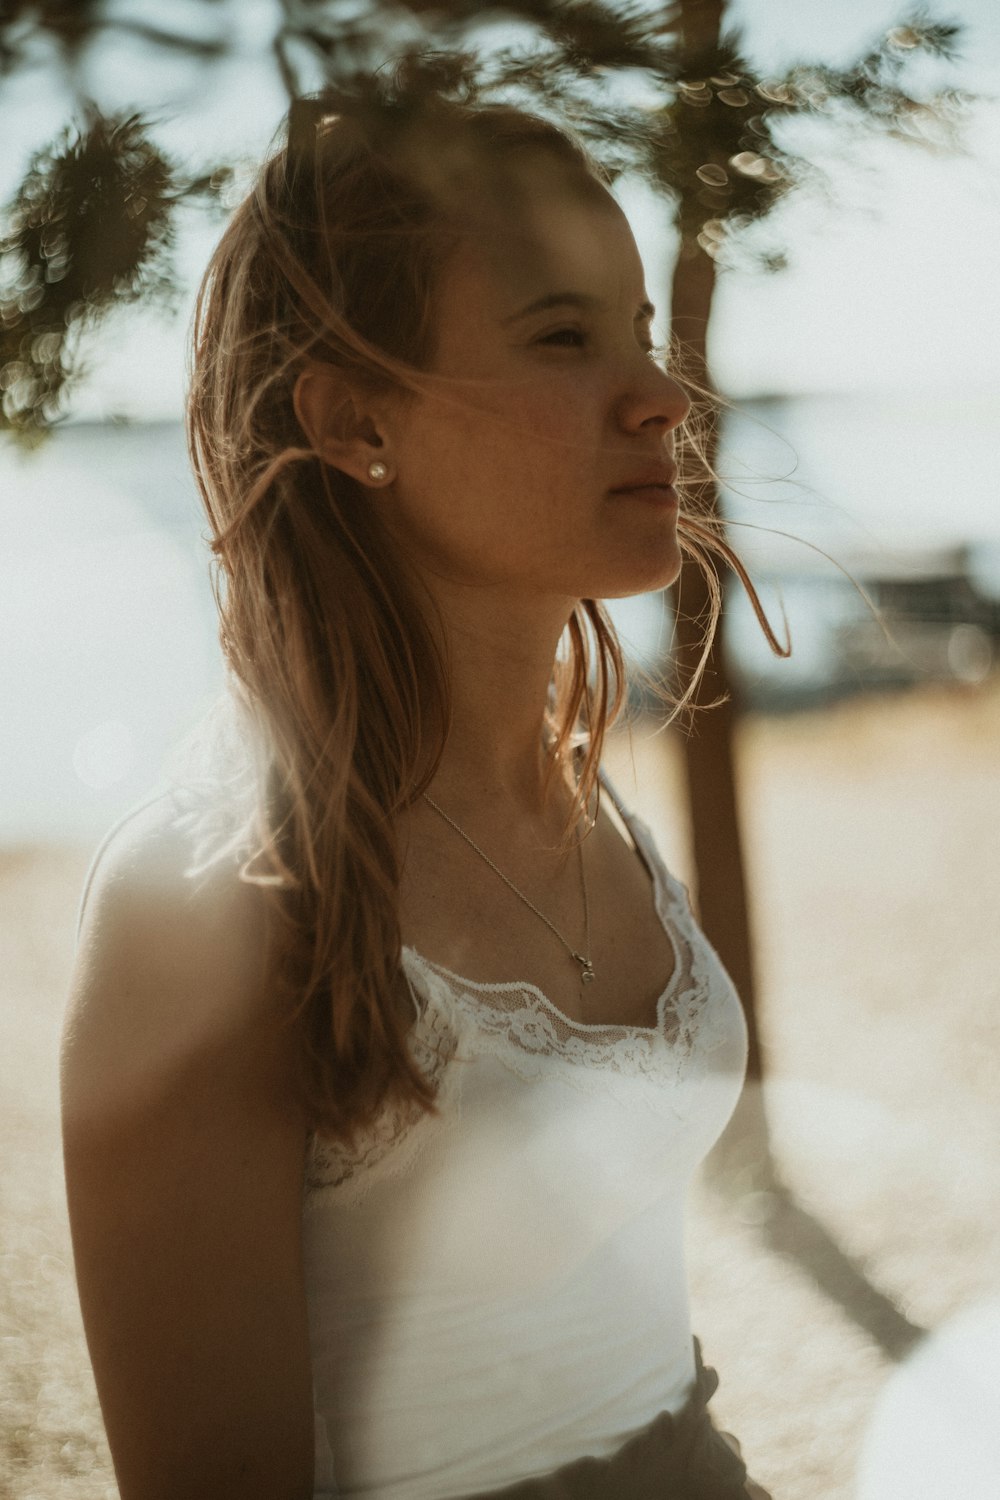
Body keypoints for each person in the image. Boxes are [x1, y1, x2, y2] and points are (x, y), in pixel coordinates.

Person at [61, 68, 779, 1500]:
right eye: (563, 336)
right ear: (353, 423)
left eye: (640, 329)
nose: (660, 394)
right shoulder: (206, 904)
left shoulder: (589, 803)